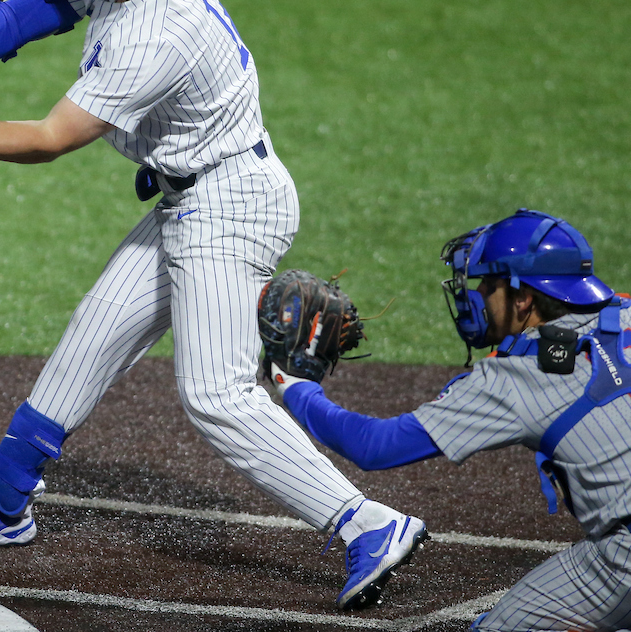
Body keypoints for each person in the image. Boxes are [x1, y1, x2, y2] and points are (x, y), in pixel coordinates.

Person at [0, 0, 426, 610]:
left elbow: (52, 137)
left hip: (229, 208)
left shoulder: (156, 32)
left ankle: (368, 523)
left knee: (214, 394)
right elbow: (41, 2)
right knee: (93, 332)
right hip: (188, 196)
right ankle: (6, 502)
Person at [266, 208, 631, 630]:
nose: (475, 298)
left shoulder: (517, 379)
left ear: (523, 298)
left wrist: (295, 387)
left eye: (486, 286)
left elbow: (376, 446)